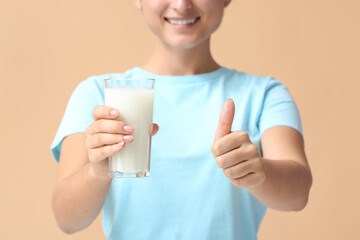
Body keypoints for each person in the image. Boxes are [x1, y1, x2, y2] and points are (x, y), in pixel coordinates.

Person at [51, 0, 312, 239]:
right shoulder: (98, 94)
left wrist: (259, 173)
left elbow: (298, 194)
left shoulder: (265, 94)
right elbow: (67, 219)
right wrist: (97, 172)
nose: (181, 4)